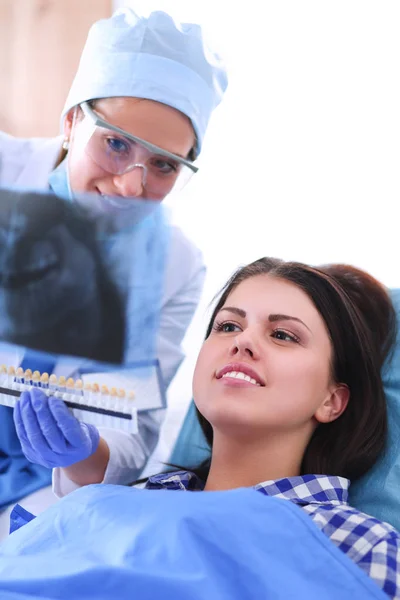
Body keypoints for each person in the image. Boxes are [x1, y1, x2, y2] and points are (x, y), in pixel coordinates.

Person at [14, 256, 400, 598]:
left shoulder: (358, 543)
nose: (243, 341)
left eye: (283, 335)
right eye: (228, 326)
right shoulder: (118, 504)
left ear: (332, 400)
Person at [0, 7, 228, 521]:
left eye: (165, 165)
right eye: (116, 144)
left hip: (39, 492)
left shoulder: (175, 265)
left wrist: (82, 453)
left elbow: (134, 432)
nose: (131, 186)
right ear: (71, 121)